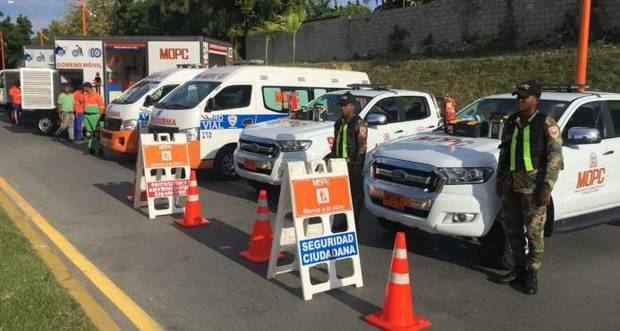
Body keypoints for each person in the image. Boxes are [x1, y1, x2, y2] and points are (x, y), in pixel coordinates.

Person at [492, 80, 563, 295]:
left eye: (525, 98)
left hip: (533, 188)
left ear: (536, 99)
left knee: (534, 233)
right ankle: (518, 268)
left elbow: (555, 159)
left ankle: (532, 273)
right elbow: (504, 153)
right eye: (518, 97)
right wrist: (499, 178)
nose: (520, 101)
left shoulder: (546, 124)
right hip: (510, 185)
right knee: (512, 230)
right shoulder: (511, 122)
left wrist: (546, 187)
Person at [328, 92, 368, 230]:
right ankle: (344, 220)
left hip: (353, 166)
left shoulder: (359, 123)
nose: (342, 108)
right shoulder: (338, 122)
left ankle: (353, 223)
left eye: (345, 106)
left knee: (354, 196)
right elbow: (335, 144)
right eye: (341, 106)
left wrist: (357, 166)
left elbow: (362, 147)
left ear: (352, 106)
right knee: (340, 196)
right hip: (338, 165)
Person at [82, 82, 105, 154]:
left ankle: (100, 148)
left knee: (97, 134)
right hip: (87, 116)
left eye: (84, 87)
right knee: (89, 133)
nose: (83, 89)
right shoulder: (84, 95)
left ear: (87, 87)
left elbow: (102, 106)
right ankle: (91, 148)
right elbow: (83, 105)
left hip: (95, 116)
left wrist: (99, 116)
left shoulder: (97, 95)